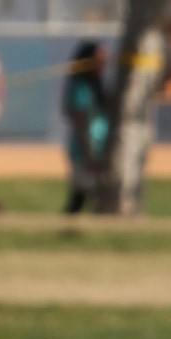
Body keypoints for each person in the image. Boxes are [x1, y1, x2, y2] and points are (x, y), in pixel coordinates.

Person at [60, 40, 115, 214]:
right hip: (85, 150)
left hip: (99, 148)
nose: (104, 63)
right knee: (90, 192)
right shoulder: (81, 88)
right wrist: (89, 154)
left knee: (81, 196)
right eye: (100, 59)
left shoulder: (98, 85)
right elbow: (79, 123)